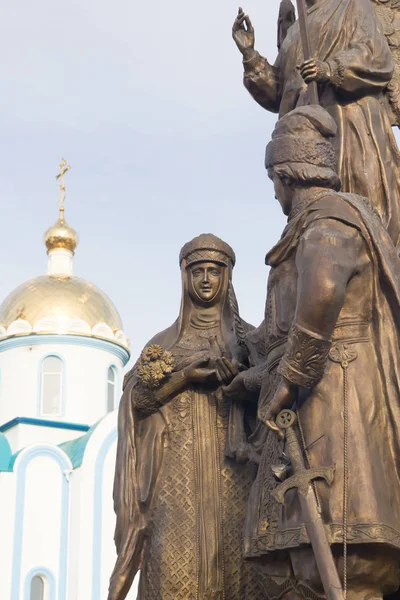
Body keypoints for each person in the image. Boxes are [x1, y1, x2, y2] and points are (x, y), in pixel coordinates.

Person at [236, 105, 400, 599]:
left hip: (340, 391)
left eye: (274, 179)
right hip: (330, 385)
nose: (274, 192)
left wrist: (287, 380)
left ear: (287, 173)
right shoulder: (335, 219)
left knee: (343, 540)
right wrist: (254, 372)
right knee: (313, 554)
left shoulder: (329, 220)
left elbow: (322, 294)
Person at [108, 234, 265, 600]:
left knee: (242, 568)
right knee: (172, 571)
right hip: (175, 480)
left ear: (227, 277)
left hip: (238, 476)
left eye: (214, 271)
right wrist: (184, 378)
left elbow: (275, 394)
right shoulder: (163, 344)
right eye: (198, 272)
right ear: (185, 277)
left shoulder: (250, 340)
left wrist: (243, 382)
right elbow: (138, 404)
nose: (206, 279)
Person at [232, 0, 400, 249]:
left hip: (350, 125)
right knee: (316, 231)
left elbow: (375, 55)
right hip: (307, 139)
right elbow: (280, 93)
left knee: (361, 214)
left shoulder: (352, 5)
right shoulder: (294, 31)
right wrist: (251, 56)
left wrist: (330, 69)